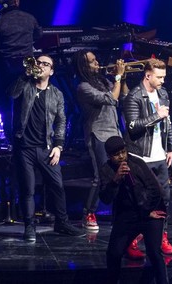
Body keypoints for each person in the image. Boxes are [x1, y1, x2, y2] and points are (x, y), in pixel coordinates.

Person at [9, 54, 84, 242]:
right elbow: (11, 94)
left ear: (52, 70)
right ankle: (29, 227)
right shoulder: (25, 86)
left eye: (45, 64)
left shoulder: (56, 93)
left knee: (57, 185)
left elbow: (61, 120)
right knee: (28, 189)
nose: (40, 66)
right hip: (24, 147)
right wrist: (24, 75)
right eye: (38, 62)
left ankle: (62, 223)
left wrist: (59, 146)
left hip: (47, 148)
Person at [123, 58, 172, 256]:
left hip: (159, 155)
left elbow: (168, 123)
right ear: (148, 75)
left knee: (165, 198)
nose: (163, 81)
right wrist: (157, 116)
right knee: (141, 201)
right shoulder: (134, 96)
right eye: (159, 77)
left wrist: (170, 146)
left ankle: (162, 237)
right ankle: (133, 241)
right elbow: (132, 127)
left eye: (164, 76)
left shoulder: (162, 94)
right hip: (140, 157)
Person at [99, 136, 168, 284]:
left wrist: (147, 210)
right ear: (109, 156)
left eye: (123, 152)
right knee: (113, 253)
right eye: (117, 154)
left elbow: (155, 189)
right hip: (127, 216)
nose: (122, 156)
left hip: (150, 213)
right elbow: (105, 198)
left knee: (154, 252)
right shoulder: (106, 170)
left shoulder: (137, 163)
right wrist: (115, 181)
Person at [72, 50, 126, 232]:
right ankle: (89, 213)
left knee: (121, 173)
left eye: (96, 59)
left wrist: (122, 78)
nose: (97, 63)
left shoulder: (103, 81)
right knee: (100, 176)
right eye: (92, 61)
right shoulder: (83, 87)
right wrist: (118, 77)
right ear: (83, 66)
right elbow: (111, 99)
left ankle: (119, 212)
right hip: (98, 133)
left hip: (115, 132)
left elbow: (122, 96)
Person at [0, 0, 42, 142]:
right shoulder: (29, 17)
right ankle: (34, 137)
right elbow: (38, 34)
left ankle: (12, 139)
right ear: (17, 2)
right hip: (27, 67)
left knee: (5, 104)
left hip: (6, 67)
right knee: (31, 102)